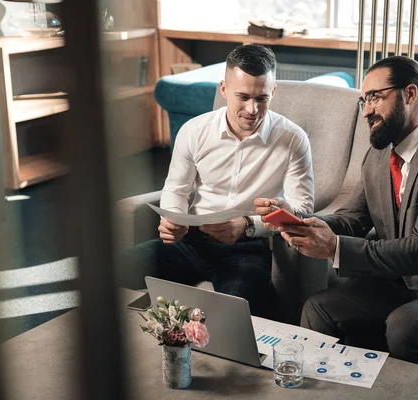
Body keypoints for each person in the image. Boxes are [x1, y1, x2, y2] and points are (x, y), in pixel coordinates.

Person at [255, 56, 418, 369]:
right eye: (363, 100)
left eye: (375, 97)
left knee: (407, 326)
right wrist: (299, 221)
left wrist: (333, 247)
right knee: (320, 308)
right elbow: (352, 220)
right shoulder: (379, 155)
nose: (366, 110)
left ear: (410, 94)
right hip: (407, 284)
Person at [121, 44, 314, 315]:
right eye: (243, 97)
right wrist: (174, 219)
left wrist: (249, 225)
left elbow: (303, 208)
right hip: (190, 242)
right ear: (223, 89)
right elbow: (176, 188)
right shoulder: (194, 131)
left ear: (273, 92)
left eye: (262, 98)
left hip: (247, 249)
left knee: (235, 314)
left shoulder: (293, 139)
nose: (252, 109)